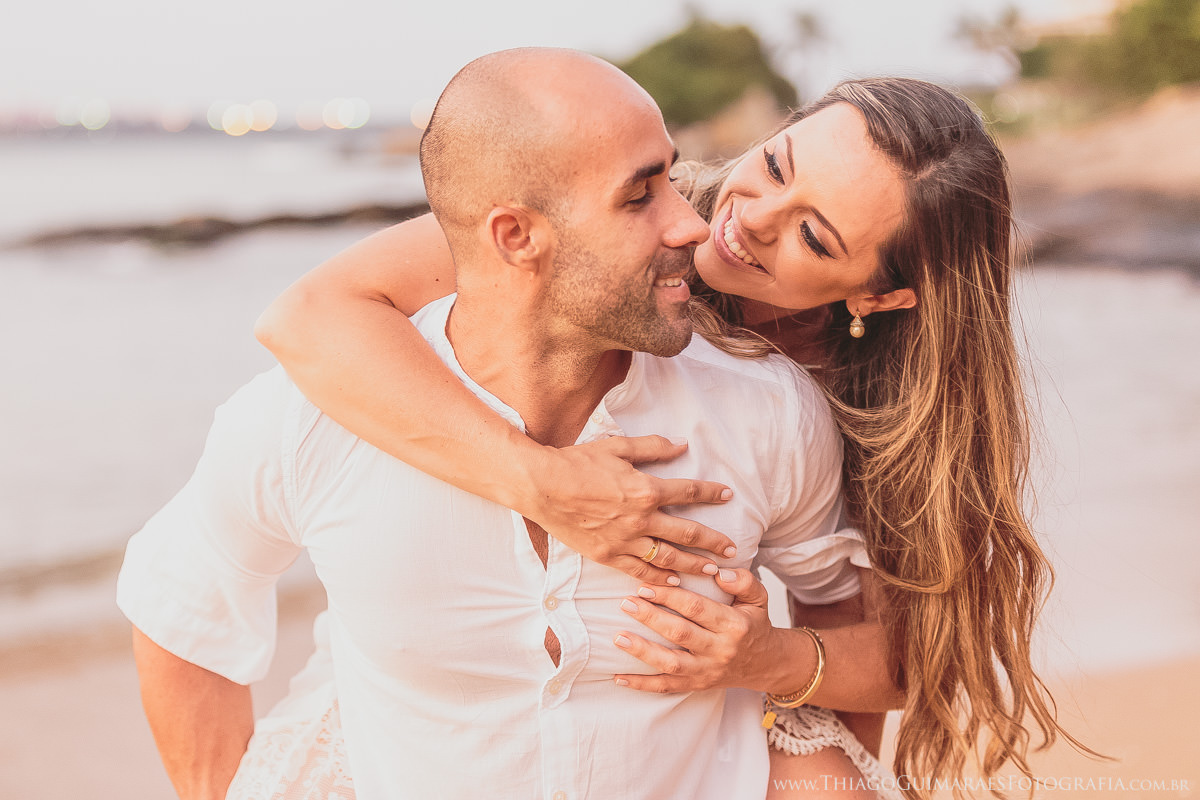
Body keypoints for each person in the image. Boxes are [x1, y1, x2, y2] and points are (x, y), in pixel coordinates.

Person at [256, 71, 1089, 795]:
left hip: (695, 707)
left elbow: (913, 658)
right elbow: (309, 314)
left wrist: (775, 672)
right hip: (440, 692)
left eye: (812, 234)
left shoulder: (873, 404)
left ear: (882, 296)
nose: (752, 217)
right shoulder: (609, 233)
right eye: (773, 165)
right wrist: (542, 485)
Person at [119, 48, 895, 800]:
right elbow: (183, 603)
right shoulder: (315, 413)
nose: (693, 223)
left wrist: (790, 699)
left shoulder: (768, 410)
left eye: (671, 175)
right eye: (640, 195)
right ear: (515, 237)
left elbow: (855, 629)